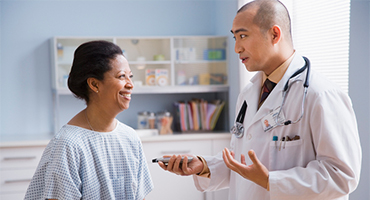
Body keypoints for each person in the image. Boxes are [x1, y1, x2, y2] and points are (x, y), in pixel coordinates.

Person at [157, 0, 362, 199]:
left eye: (243, 36)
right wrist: (204, 166)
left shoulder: (321, 94)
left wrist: (270, 180)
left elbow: (342, 175)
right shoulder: (249, 93)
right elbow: (242, 159)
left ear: (274, 34)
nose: (237, 48)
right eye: (235, 38)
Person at [24, 40, 153, 200]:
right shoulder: (67, 145)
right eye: (121, 76)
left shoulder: (130, 137)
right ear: (94, 84)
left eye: (130, 76)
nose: (131, 84)